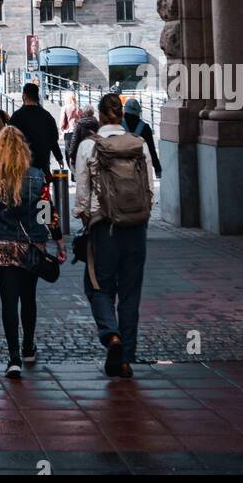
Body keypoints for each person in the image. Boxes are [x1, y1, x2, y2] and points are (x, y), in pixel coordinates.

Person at [0, 126, 66, 378]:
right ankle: (28, 348)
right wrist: (58, 241)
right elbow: (47, 214)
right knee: (29, 298)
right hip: (31, 247)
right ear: (24, 151)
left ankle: (13, 358)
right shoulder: (37, 178)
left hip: (1, 248)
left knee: (8, 300)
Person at [74, 92, 154, 379]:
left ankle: (111, 336)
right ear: (121, 114)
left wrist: (85, 219)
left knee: (98, 286)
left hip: (104, 226)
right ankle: (125, 359)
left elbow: (81, 195)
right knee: (131, 293)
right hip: (136, 227)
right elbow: (149, 187)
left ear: (100, 114)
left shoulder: (88, 147)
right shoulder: (139, 144)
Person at [10, 81, 64, 178]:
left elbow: (9, 142)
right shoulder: (47, 116)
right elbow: (53, 140)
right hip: (42, 165)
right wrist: (59, 158)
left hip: (22, 165)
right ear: (37, 96)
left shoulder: (16, 116)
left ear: (24, 96)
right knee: (42, 191)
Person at [121, 96, 162, 178]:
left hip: (121, 169)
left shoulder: (118, 125)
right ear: (138, 112)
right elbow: (151, 150)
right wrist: (157, 169)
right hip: (139, 170)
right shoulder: (145, 128)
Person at [70, 104, 99, 171]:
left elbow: (75, 139)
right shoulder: (97, 123)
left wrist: (72, 154)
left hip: (81, 152)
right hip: (93, 152)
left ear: (84, 112)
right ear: (93, 112)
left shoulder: (79, 124)